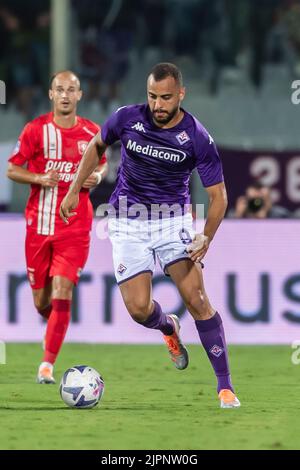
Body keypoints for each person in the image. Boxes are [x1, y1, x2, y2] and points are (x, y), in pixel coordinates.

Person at [60, 63, 240, 408]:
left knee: (197, 299)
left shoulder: (197, 137)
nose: (158, 104)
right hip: (128, 220)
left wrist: (207, 236)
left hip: (172, 220)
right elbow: (97, 145)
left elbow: (219, 196)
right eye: (153, 96)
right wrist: (74, 190)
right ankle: (168, 328)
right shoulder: (127, 118)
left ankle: (225, 386)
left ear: (181, 95)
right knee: (140, 310)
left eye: (166, 98)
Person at [7, 70, 108, 384]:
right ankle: (52, 331)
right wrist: (39, 178)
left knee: (64, 290)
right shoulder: (36, 130)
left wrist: (99, 176)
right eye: (59, 89)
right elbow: (12, 168)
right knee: (42, 301)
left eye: (71, 90)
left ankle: (47, 366)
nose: (65, 95)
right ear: (51, 94)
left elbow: (103, 163)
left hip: (76, 226)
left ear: (80, 95)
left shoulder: (92, 132)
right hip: (38, 225)